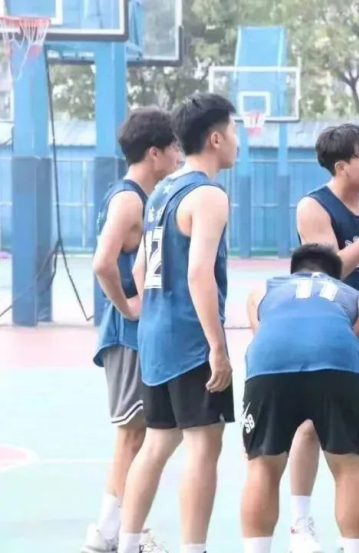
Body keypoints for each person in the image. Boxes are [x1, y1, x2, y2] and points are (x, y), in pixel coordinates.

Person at [119, 93, 238, 553]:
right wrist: (218, 347)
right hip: (190, 339)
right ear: (215, 138)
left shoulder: (160, 192)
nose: (238, 140)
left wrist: (153, 313)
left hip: (155, 337)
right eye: (234, 130)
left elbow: (138, 270)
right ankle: (193, 548)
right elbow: (198, 274)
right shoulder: (208, 195)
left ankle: (126, 542)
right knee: (203, 445)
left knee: (156, 444)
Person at [294, 124, 359, 552]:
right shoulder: (314, 207)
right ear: (342, 167)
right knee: (310, 425)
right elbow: (331, 269)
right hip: (327, 326)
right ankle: (301, 524)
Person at [83, 107, 180, 553]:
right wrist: (128, 307)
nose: (179, 155)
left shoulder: (143, 196)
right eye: (174, 147)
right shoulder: (129, 200)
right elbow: (103, 262)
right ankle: (110, 533)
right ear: (154, 152)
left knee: (139, 434)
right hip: (127, 332)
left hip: (138, 332)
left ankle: (119, 530)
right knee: (131, 434)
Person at [240, 244, 359, 553]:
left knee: (262, 466)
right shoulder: (355, 297)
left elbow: (262, 334)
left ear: (294, 270)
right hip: (336, 363)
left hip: (271, 364)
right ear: (334, 276)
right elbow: (349, 336)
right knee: (351, 468)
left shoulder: (262, 290)